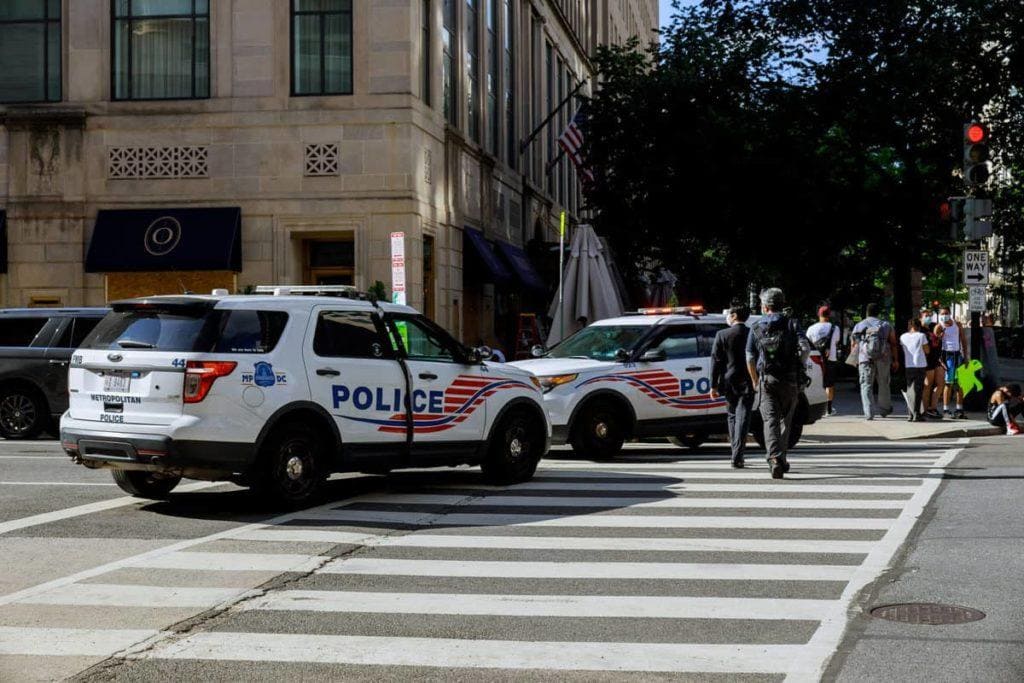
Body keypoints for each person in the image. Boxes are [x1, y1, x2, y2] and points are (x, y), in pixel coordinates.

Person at [746, 288, 810, 479]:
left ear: (765, 306)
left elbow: (749, 356)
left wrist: (755, 380)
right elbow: (805, 348)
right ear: (782, 304)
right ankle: (781, 458)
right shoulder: (791, 323)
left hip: (767, 379)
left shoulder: (756, 326)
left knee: (770, 420)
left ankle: (774, 458)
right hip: (789, 379)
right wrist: (800, 365)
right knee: (786, 420)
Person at [710, 304, 754, 468]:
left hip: (728, 381)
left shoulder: (722, 334)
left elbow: (715, 361)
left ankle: (735, 452)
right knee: (743, 417)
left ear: (734, 316)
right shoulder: (752, 334)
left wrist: (713, 385)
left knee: (732, 416)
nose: (727, 316)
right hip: (749, 381)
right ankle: (738, 454)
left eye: (729, 313)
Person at [850, 303, 899, 420]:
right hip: (884, 358)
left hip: (865, 359)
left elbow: (854, 344)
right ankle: (884, 410)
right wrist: (896, 360)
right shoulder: (886, 325)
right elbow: (893, 343)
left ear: (867, 312)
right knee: (884, 384)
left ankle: (869, 413)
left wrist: (855, 359)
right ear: (878, 313)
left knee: (866, 385)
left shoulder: (859, 325)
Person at [934, 307, 969, 419]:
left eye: (946, 313)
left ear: (950, 313)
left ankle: (959, 408)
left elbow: (963, 339)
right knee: (948, 383)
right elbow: (935, 343)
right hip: (946, 355)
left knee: (959, 383)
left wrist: (966, 356)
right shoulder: (939, 326)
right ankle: (946, 409)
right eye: (942, 314)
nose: (944, 315)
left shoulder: (957, 324)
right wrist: (940, 336)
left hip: (957, 354)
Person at [806, 306, 841, 415]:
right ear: (829, 315)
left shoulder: (811, 328)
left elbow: (807, 343)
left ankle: (814, 407)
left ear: (819, 315)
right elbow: (836, 342)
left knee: (816, 383)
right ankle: (828, 409)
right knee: (829, 385)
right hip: (830, 359)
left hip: (815, 359)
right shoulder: (835, 328)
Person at [899, 318, 930, 422]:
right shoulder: (921, 336)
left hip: (908, 365)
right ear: (919, 326)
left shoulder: (903, 337)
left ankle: (910, 414)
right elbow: (927, 350)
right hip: (920, 365)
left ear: (909, 326)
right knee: (918, 390)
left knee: (910, 390)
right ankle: (917, 414)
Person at [920, 309, 944, 419]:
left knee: (940, 383)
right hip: (927, 361)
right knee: (928, 385)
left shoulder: (932, 326)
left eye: (930, 315)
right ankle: (925, 409)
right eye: (926, 315)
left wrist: (938, 333)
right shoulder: (920, 330)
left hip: (936, 359)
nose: (929, 317)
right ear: (921, 316)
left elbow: (941, 328)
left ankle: (932, 408)